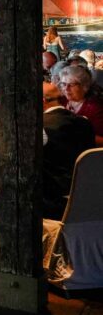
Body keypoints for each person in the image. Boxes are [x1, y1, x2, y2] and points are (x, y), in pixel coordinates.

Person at [42, 81, 95, 220]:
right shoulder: (84, 122)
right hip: (86, 196)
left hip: (52, 202)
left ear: (41, 101)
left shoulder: (40, 127)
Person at [58, 64, 103, 146]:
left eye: (71, 84)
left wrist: (77, 134)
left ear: (84, 86)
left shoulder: (95, 108)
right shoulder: (60, 100)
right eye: (63, 84)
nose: (66, 88)